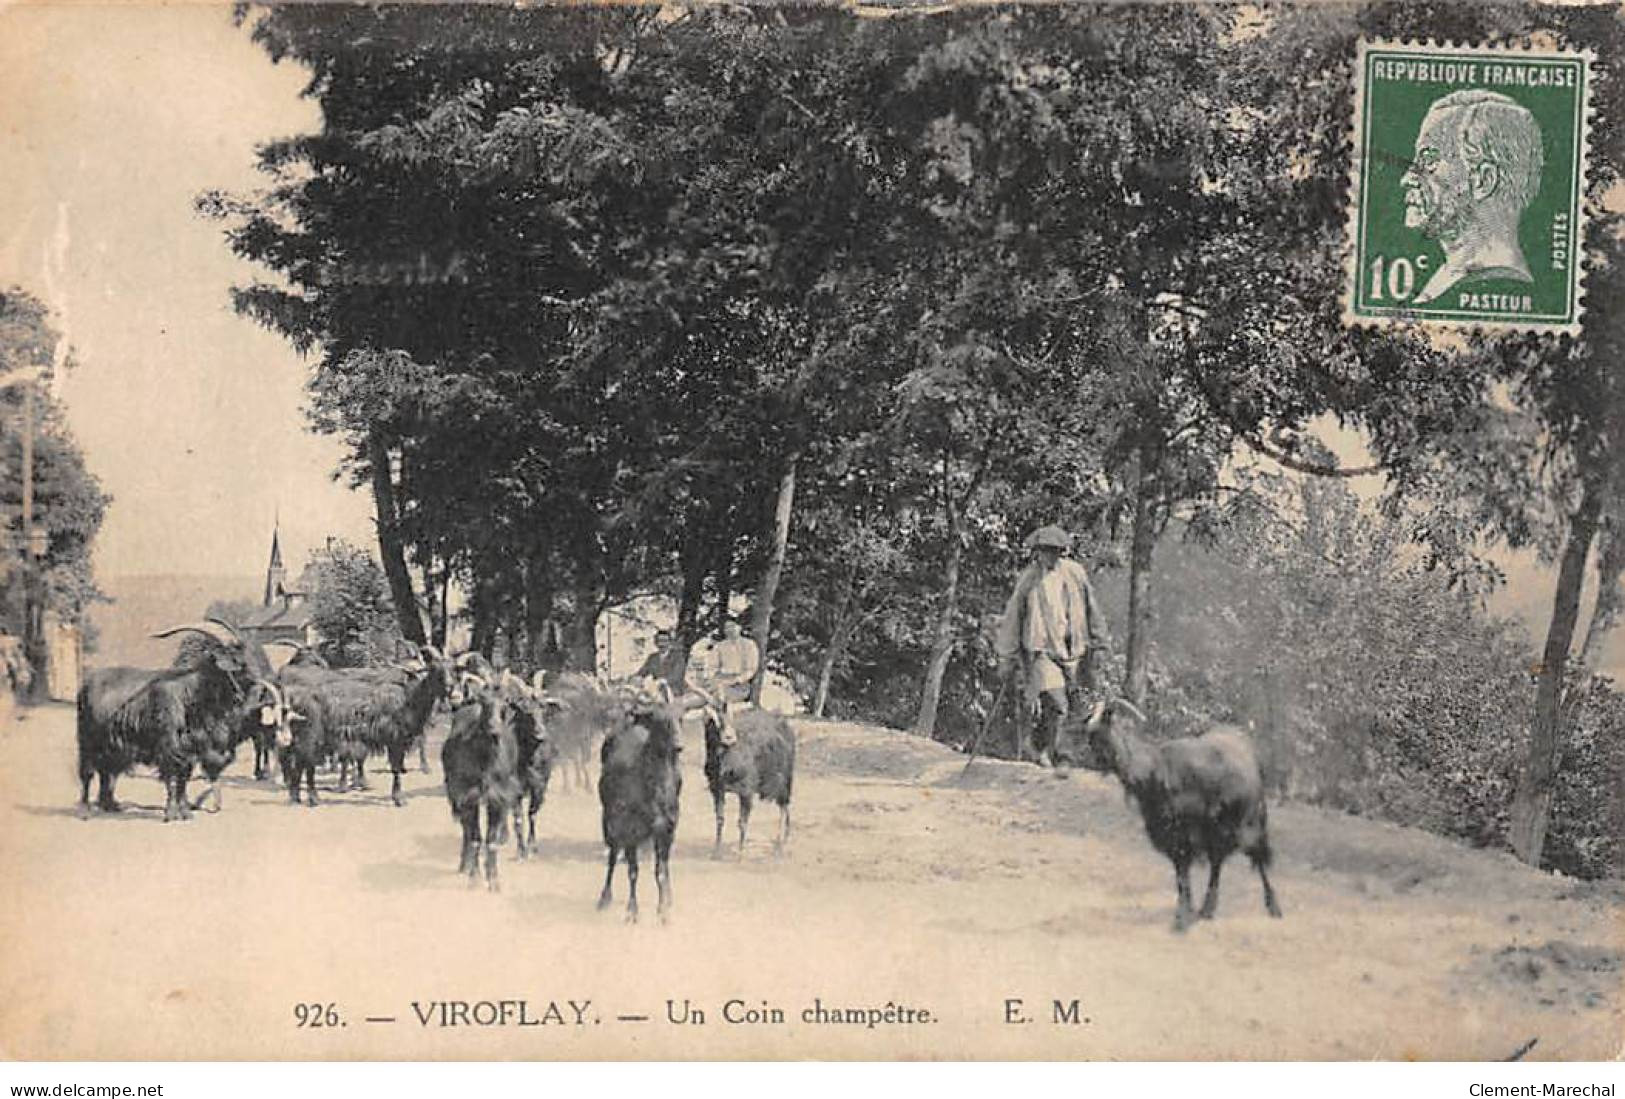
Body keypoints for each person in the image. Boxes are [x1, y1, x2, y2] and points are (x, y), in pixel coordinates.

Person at [1401, 89, 1544, 305]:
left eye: (1429, 158)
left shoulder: (1498, 286)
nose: (1407, 178)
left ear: (1483, 181)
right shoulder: (1448, 281)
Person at [994, 524, 1110, 775]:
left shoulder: (1075, 574)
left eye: (1055, 551)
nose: (1050, 556)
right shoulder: (1029, 579)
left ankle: (1053, 749)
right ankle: (1052, 753)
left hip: (1073, 650)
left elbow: (1092, 608)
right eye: (1045, 551)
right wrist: (1007, 655)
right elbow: (1013, 616)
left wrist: (1100, 642)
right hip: (1041, 650)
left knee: (1079, 706)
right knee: (1057, 703)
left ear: (1063, 551)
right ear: (1037, 552)